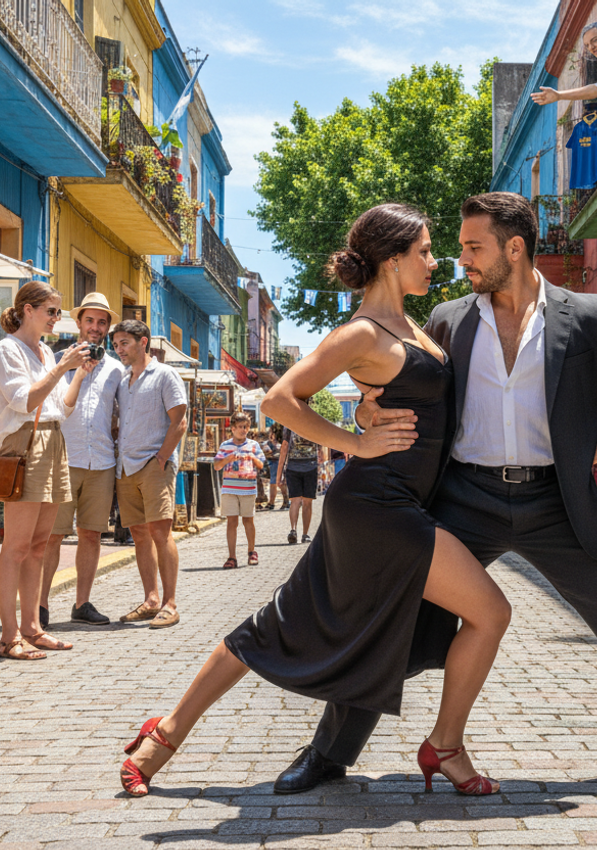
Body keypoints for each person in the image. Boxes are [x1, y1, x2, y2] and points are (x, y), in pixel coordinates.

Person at [271, 192, 597, 796]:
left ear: (515, 247)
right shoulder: (449, 320)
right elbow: (403, 382)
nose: (462, 260)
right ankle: (328, 753)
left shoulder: (586, 313)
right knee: (399, 617)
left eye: (474, 247)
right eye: (457, 248)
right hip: (463, 498)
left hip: (556, 501)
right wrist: (369, 415)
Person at [119, 203, 511, 799]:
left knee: (279, 623)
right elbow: (279, 399)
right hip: (378, 507)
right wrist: (356, 439)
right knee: (490, 612)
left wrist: (371, 416)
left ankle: (164, 734)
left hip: (398, 504)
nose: (435, 262)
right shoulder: (361, 332)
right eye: (425, 251)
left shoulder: (413, 330)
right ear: (391, 258)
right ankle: (446, 747)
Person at [0, 280, 96, 661]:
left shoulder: (46, 353)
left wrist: (78, 374)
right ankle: (8, 636)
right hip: (25, 443)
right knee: (16, 546)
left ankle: (32, 627)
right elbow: (24, 401)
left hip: (53, 441)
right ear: (28, 310)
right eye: (52, 311)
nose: (57, 318)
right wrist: (61, 367)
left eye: (58, 311)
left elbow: (60, 408)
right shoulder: (9, 349)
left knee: (39, 544)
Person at [37, 292, 125, 629]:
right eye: (90, 320)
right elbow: (57, 408)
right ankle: (41, 606)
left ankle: (82, 603)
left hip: (101, 461)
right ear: (78, 323)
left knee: (91, 535)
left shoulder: (116, 369)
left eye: (102, 322)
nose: (96, 327)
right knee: (52, 536)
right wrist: (77, 372)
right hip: (63, 458)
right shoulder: (57, 361)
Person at [112, 318, 188, 629]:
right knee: (140, 535)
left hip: (154, 465)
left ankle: (170, 603)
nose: (119, 350)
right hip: (126, 467)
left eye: (124, 343)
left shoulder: (165, 375)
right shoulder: (123, 380)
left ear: (143, 342)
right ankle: (151, 599)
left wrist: (161, 457)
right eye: (116, 345)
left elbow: (179, 421)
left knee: (160, 533)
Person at [530, 22, 597, 109]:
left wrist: (559, 95)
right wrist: (559, 95)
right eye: (587, 45)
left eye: (594, 40)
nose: (591, 47)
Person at [214, 412, 266, 569]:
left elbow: (261, 464)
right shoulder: (225, 446)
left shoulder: (253, 445)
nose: (244, 430)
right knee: (231, 522)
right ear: (233, 428)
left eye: (246, 427)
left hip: (248, 488)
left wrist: (251, 457)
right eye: (240, 427)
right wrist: (228, 459)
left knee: (248, 520)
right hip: (229, 488)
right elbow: (217, 466)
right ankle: (232, 557)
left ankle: (252, 552)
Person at [277, 425, 319, 544]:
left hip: (293, 467)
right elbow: (321, 444)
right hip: (310, 466)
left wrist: (278, 475)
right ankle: (305, 534)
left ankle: (293, 529)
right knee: (307, 502)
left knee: (295, 500)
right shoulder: (313, 421)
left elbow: (284, 447)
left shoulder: (289, 423)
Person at [263, 424, 285, 510]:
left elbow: (270, 451)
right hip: (273, 464)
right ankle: (273, 502)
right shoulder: (270, 442)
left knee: (275, 483)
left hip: (276, 463)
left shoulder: (276, 443)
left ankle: (273, 502)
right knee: (275, 483)